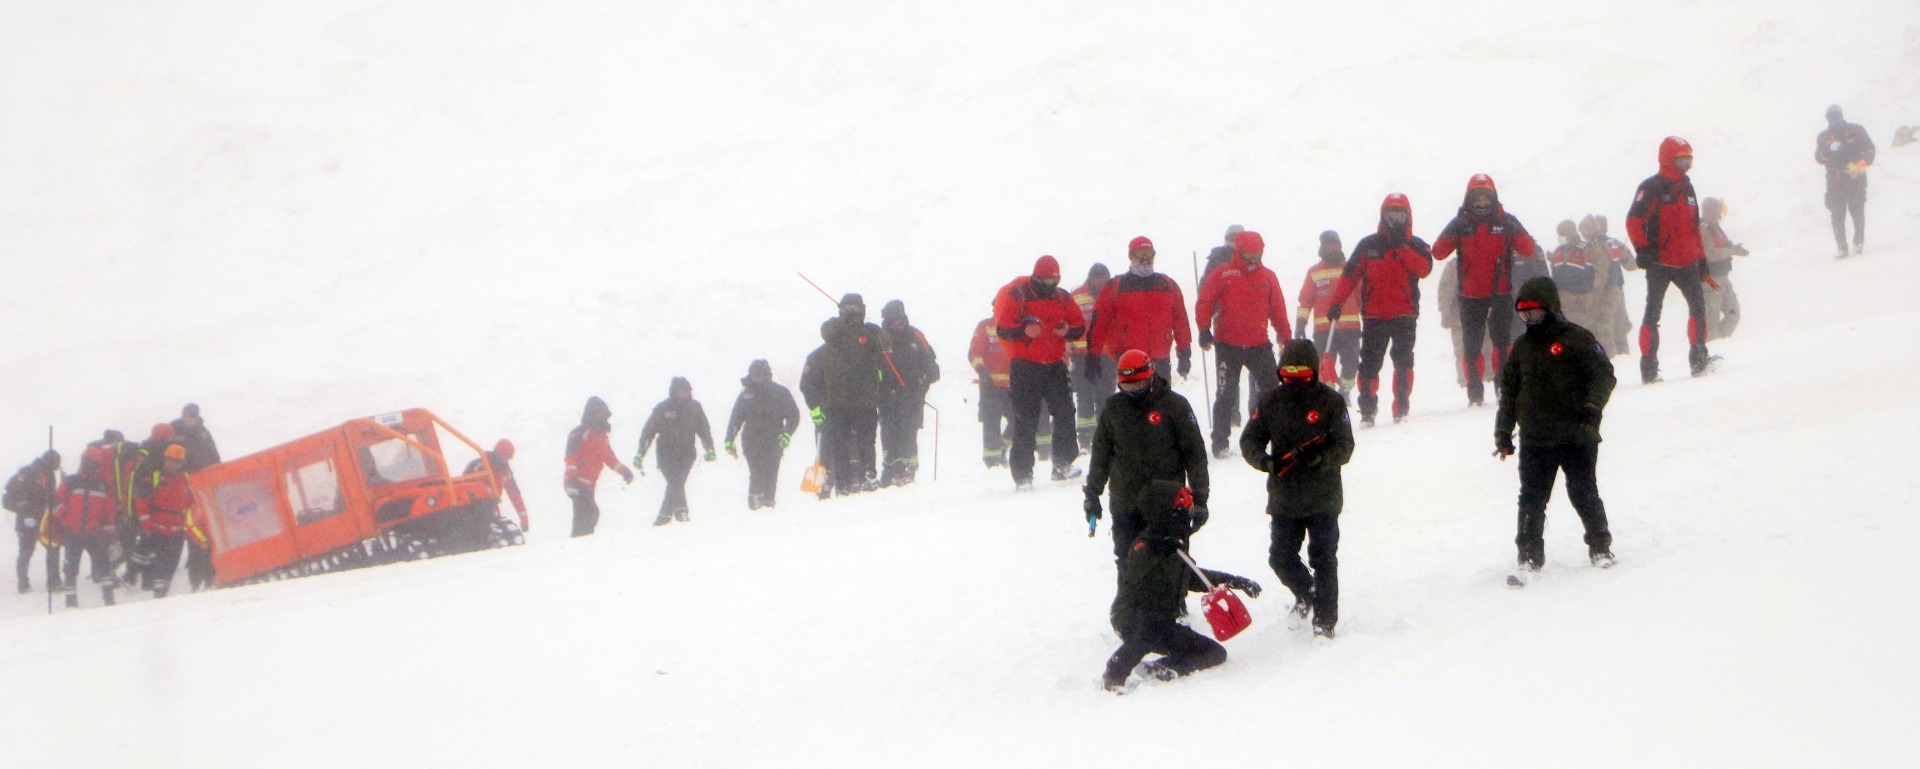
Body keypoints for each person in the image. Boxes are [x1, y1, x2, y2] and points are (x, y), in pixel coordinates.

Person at [1495, 278, 1618, 585]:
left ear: (1550, 309)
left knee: (1583, 492)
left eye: (1534, 313)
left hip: (1577, 434)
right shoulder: (1522, 347)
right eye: (1523, 315)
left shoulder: (1577, 338)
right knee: (1531, 500)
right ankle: (1528, 559)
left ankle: (1601, 548)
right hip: (1536, 440)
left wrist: (1592, 408)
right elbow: (1509, 391)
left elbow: (1604, 374)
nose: (1529, 320)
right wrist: (1503, 432)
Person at [1240, 339, 1355, 638]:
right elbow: (1249, 440)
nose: (1293, 381)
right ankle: (1307, 594)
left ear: (1314, 373)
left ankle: (1325, 622)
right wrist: (1266, 463)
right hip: (1284, 497)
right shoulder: (1269, 402)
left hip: (1323, 497)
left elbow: (1345, 446)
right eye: (1287, 375)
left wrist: (1319, 459)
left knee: (1324, 558)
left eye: (1300, 375)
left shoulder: (1331, 402)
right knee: (1280, 557)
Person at [1101, 479, 1260, 693]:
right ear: (1166, 512)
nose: (1188, 514)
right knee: (1148, 628)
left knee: (1214, 653)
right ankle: (1115, 671)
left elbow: (1196, 578)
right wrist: (1157, 550)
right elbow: (1135, 574)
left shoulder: (1176, 545)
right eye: (1182, 509)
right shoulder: (1144, 545)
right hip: (1130, 617)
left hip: (1163, 623)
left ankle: (1162, 668)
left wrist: (1236, 581)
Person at [1083, 350, 1209, 568]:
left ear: (1150, 376)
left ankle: (1173, 603)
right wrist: (1092, 493)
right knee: (1129, 566)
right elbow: (1101, 455)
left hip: (1167, 505)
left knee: (1169, 566)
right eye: (1127, 386)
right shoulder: (1113, 408)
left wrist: (1200, 499)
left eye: (1138, 385)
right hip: (1126, 506)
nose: (1133, 391)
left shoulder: (1175, 406)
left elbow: (1195, 455)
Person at [1432, 174, 1539, 407]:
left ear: (1493, 199)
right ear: (1469, 199)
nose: (1482, 204)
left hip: (1500, 294)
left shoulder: (1506, 222)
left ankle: (1503, 387)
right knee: (1471, 346)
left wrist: (1512, 228)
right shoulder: (1461, 224)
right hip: (1470, 297)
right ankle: (1475, 392)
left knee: (1502, 343)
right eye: (1477, 199)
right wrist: (1455, 227)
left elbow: (1528, 248)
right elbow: (1438, 252)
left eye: (1486, 199)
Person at [1327, 194, 1433, 426]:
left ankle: (1401, 408)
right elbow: (1350, 275)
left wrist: (1401, 247)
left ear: (1408, 217)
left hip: (1405, 314)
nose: (1395, 219)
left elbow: (1424, 268)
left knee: (1403, 362)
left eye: (1400, 214)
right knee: (1369, 364)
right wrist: (1336, 302)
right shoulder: (1368, 245)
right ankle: (1367, 411)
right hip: (1374, 316)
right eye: (1390, 214)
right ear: (1382, 215)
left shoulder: (1416, 244)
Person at [1626, 136, 1715, 382]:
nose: (1686, 165)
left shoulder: (1688, 188)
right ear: (1668, 159)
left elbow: (1693, 228)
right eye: (1681, 159)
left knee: (1698, 309)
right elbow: (1633, 221)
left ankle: (1699, 360)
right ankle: (1649, 369)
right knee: (1652, 313)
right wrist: (1642, 250)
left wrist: (1701, 259)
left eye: (1689, 159)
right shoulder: (1651, 187)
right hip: (1659, 263)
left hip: (1687, 261)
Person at [1195, 229, 1289, 458]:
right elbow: (1204, 302)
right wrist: (1204, 329)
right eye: (1250, 255)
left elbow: (1278, 310)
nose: (1255, 260)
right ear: (1240, 252)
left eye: (1258, 255)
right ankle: (1220, 441)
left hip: (1259, 344)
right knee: (1226, 393)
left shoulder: (1268, 277)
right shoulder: (1223, 273)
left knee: (1272, 391)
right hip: (1228, 345)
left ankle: (1274, 435)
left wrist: (1285, 337)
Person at [994, 255, 1086, 489]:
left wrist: (1067, 330)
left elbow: (1079, 327)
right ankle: (1023, 475)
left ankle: (1063, 464)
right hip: (1025, 366)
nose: (1051, 286)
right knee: (1025, 419)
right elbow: (1003, 329)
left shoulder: (1063, 297)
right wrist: (1024, 330)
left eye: (1055, 281)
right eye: (1048, 281)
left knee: (1065, 411)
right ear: (1037, 277)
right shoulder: (1019, 295)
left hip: (1054, 364)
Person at [1087, 237, 1193, 382]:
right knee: (1133, 403)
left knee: (1160, 404)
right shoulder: (1116, 286)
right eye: (1142, 254)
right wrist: (1093, 354)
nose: (1146, 259)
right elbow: (1099, 322)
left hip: (1160, 360)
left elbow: (1180, 320)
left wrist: (1184, 352)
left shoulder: (1168, 285)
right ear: (1131, 256)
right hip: (1128, 360)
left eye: (1150, 254)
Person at [818, 293, 887, 495]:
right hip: (836, 400)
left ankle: (868, 476)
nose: (853, 312)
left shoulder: (871, 330)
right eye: (848, 307)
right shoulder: (832, 327)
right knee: (839, 443)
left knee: (867, 440)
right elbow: (827, 333)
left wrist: (861, 327)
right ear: (840, 309)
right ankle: (843, 482)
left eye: (856, 308)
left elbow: (885, 343)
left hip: (864, 399)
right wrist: (844, 320)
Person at [635, 377, 717, 525]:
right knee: (675, 483)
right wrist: (640, 453)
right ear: (674, 392)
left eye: (686, 391)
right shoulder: (662, 408)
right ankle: (680, 514)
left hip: (686, 454)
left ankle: (665, 518)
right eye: (680, 392)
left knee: (676, 483)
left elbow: (704, 430)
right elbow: (648, 432)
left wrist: (709, 448)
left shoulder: (695, 407)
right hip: (665, 455)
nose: (684, 395)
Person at [724, 359, 801, 510]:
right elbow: (736, 419)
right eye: (754, 376)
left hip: (775, 439)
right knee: (756, 471)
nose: (758, 379)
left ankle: (768, 502)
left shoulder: (780, 392)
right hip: (751, 440)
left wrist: (787, 434)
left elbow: (794, 415)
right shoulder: (746, 395)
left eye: (761, 375)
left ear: (768, 375)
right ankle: (755, 503)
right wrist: (729, 440)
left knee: (771, 472)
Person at [877, 300, 939, 486]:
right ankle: (890, 469)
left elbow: (932, 367)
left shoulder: (916, 336)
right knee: (889, 434)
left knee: (909, 433)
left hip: (913, 397)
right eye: (893, 320)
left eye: (900, 319)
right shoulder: (880, 339)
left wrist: (922, 387)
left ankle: (909, 470)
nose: (897, 324)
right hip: (887, 398)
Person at [53, 443, 120, 607]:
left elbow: (108, 511)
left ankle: (109, 598)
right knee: (71, 568)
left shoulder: (103, 485)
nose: (88, 466)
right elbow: (55, 503)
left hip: (94, 532)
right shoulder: (70, 482)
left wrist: (110, 532)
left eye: (92, 464)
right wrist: (65, 518)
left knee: (104, 565)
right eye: (86, 462)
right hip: (73, 532)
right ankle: (71, 601)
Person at [1296, 231, 1360, 398]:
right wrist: (1300, 323)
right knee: (1324, 365)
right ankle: (1327, 393)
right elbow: (1306, 301)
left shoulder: (1351, 270)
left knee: (1351, 363)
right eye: (1327, 245)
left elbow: (1362, 297)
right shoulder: (1314, 272)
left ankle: (1344, 390)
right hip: (1323, 329)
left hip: (1350, 328)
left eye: (1334, 245)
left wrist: (1370, 319)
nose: (1331, 249)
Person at [132, 444, 195, 598]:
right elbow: (141, 502)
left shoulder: (186, 479)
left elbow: (192, 503)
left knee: (171, 567)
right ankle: (157, 596)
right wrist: (147, 527)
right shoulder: (154, 477)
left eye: (175, 461)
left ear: (181, 462)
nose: (171, 463)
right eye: (169, 460)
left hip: (177, 531)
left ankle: (161, 596)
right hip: (158, 530)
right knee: (160, 565)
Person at [565, 396, 632, 537]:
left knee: (589, 515)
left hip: (589, 484)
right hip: (576, 482)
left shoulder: (602, 437)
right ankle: (579, 543)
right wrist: (571, 479)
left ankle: (581, 541)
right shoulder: (578, 433)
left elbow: (610, 458)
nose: (603, 419)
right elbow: (571, 457)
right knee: (589, 513)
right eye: (600, 414)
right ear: (592, 413)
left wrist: (625, 471)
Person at [1815, 104, 1875, 257]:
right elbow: (1819, 157)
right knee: (1837, 214)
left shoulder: (1856, 130)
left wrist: (1861, 161)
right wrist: (1828, 151)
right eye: (1831, 117)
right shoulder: (1824, 137)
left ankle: (1858, 242)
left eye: (1836, 116)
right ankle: (1842, 247)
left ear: (1841, 115)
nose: (1834, 120)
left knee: (1857, 211)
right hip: (1836, 180)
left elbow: (1870, 150)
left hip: (1855, 177)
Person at [1069, 263, 1113, 447]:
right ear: (1091, 279)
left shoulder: (1112, 293)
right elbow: (1067, 320)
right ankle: (1086, 438)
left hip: (1106, 354)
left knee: (1107, 394)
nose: (1101, 285)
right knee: (1085, 394)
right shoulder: (1076, 296)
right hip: (1082, 355)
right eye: (1099, 281)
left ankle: (1105, 435)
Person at [1579, 215, 1636, 357]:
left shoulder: (1592, 246)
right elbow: (1632, 264)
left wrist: (1594, 293)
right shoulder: (1614, 243)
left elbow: (1600, 273)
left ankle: (1611, 356)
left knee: (1605, 323)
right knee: (1619, 324)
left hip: (1604, 291)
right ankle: (1623, 354)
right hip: (1617, 288)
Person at [5, 450, 60, 594]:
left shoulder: (48, 474)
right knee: (28, 551)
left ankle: (51, 581)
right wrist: (23, 508)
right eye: (56, 465)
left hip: (43, 518)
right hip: (28, 519)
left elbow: (50, 496)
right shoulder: (27, 472)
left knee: (49, 548)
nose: (56, 468)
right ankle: (26, 583)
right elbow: (11, 489)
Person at [967, 315, 1014, 468]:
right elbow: (974, 353)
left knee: (1020, 420)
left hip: (1014, 385)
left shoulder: (1018, 324)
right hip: (991, 386)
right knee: (991, 422)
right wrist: (982, 371)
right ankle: (992, 461)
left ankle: (1001, 446)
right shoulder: (985, 326)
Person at [1547, 219, 1608, 335]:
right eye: (1559, 235)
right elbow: (1555, 272)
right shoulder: (1558, 250)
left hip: (1582, 300)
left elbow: (1601, 273)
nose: (1560, 237)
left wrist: (1594, 293)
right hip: (1562, 300)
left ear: (1570, 233)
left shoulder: (1588, 249)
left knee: (1580, 333)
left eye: (1562, 234)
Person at [1699, 198, 1749, 340]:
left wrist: (1734, 248)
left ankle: (1721, 341)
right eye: (1719, 210)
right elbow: (1711, 254)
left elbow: (1724, 245)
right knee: (1711, 320)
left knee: (1733, 313)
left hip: (1722, 278)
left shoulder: (1715, 227)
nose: (1721, 214)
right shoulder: (1703, 229)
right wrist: (1731, 250)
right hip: (1710, 280)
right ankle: (1709, 347)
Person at [464, 439, 528, 533]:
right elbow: (465, 487)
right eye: (504, 458)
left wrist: (524, 520)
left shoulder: (506, 472)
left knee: (499, 532)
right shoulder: (480, 466)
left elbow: (515, 495)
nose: (505, 461)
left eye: (507, 459)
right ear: (497, 454)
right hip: (472, 509)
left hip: (492, 509)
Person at [169, 403, 220, 472]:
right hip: (177, 462)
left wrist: (218, 465)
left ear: (196, 417)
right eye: (185, 416)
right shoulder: (174, 426)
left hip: (197, 465)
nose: (187, 419)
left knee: (202, 449)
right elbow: (163, 442)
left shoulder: (202, 431)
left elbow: (211, 448)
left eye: (191, 417)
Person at [1198, 224, 1246, 292]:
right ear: (1226, 238)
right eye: (1232, 236)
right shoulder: (1217, 257)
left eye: (1238, 236)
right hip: (1221, 298)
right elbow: (1206, 282)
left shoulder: (1251, 256)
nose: (1234, 239)